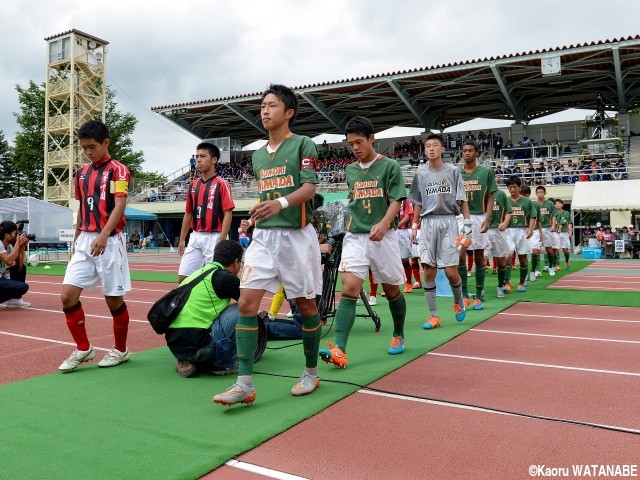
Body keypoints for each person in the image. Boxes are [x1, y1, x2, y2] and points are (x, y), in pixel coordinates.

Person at [213, 84, 322, 406]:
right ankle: (244, 382)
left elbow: (310, 188)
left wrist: (281, 203)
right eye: (262, 105)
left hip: (296, 238)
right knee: (246, 304)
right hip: (264, 238)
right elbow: (267, 196)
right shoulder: (258, 156)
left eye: (272, 105)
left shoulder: (303, 145)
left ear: (288, 112)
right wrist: (258, 215)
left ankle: (311, 372)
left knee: (306, 307)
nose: (265, 110)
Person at [318, 116, 407, 368]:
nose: (355, 148)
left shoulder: (390, 167)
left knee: (391, 290)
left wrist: (385, 222)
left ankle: (398, 333)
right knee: (348, 289)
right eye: (350, 144)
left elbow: (397, 199)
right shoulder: (350, 170)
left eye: (359, 142)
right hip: (355, 236)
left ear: (371, 138)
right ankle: (340, 349)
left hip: (383, 235)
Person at [59, 120, 132, 372]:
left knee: (113, 300)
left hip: (110, 241)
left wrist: (104, 233)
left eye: (92, 147)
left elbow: (120, 204)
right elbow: (81, 208)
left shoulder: (119, 171)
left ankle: (121, 350)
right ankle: (83, 348)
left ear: (106, 143)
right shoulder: (81, 173)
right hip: (85, 240)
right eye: (84, 148)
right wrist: (78, 236)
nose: (88, 152)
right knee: (67, 296)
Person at [409, 134, 470, 329]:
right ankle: (433, 315)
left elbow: (462, 199)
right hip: (428, 223)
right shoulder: (420, 173)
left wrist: (467, 223)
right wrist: (414, 225)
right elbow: (418, 202)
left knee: (451, 271)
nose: (431, 149)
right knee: (428, 270)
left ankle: (458, 301)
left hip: (448, 221)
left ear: (443, 149)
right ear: (424, 150)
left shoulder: (453, 171)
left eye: (435, 145)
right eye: (428, 146)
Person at [166, 240, 247, 377]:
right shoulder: (227, 277)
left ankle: (186, 360)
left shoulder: (197, 274)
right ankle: (223, 364)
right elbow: (248, 302)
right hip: (201, 346)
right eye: (241, 263)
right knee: (244, 308)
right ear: (236, 261)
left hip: (174, 346)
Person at [178, 142, 235, 283]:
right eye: (196, 156)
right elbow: (188, 213)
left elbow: (228, 213)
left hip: (215, 235)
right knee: (183, 279)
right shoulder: (193, 185)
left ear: (214, 160)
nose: (198, 160)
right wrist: (182, 238)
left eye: (203, 156)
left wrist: (221, 239)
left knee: (216, 280)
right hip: (195, 236)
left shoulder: (222, 184)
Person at [459, 141, 497, 310]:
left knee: (479, 255)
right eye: (464, 151)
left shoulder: (486, 172)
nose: (467, 153)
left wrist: (487, 219)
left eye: (470, 151)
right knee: (460, 253)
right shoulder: (456, 172)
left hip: (479, 216)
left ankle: (479, 293)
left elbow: (490, 197)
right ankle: (464, 294)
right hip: (461, 217)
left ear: (477, 153)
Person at [505, 175, 537, 293]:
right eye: (510, 187)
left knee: (523, 258)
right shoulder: (506, 200)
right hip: (508, 231)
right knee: (507, 257)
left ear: (519, 187)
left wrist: (531, 229)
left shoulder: (527, 201)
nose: (512, 190)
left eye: (514, 187)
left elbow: (533, 216)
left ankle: (522, 282)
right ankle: (507, 282)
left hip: (522, 230)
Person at [0, 221, 31, 307]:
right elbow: (9, 261)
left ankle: (14, 301)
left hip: (1, 276)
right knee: (23, 287)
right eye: (15, 233)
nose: (17, 235)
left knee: (21, 268)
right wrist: (18, 243)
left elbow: (19, 265)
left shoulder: (8, 246)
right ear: (7, 235)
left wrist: (22, 246)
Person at [530, 186, 557, 280]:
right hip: (537, 229)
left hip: (547, 228)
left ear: (545, 193)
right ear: (536, 194)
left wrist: (553, 225)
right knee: (536, 250)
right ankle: (537, 270)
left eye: (541, 192)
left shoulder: (549, 204)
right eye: (538, 192)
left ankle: (550, 267)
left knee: (549, 250)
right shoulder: (533, 204)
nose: (540, 194)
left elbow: (553, 215)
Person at [554, 199, 573, 268]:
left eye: (559, 203)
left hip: (564, 232)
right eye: (556, 203)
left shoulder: (566, 213)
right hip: (556, 233)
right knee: (556, 249)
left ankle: (567, 261)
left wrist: (570, 231)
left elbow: (570, 222)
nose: (557, 204)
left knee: (565, 250)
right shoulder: (553, 213)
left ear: (562, 205)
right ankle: (557, 264)